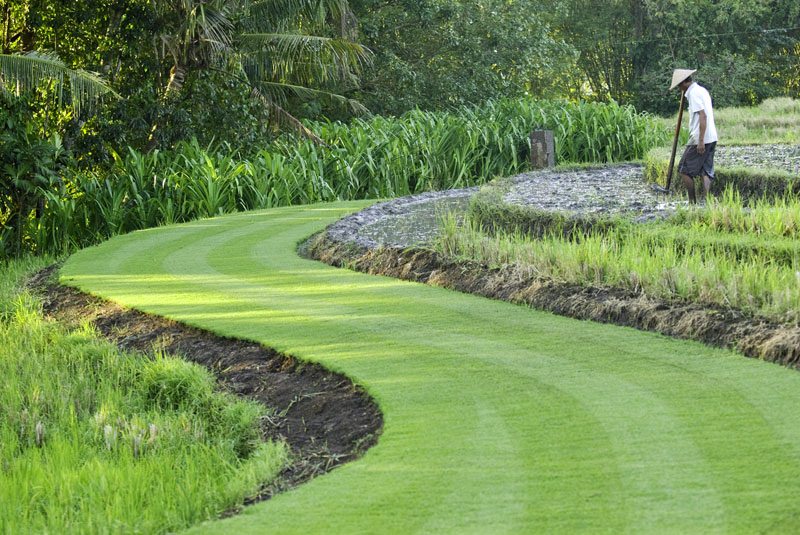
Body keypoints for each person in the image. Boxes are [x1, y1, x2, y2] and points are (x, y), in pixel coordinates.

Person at [670, 69, 718, 204]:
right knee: (705, 171)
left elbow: (703, 116)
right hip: (712, 136)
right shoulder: (701, 90)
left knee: (684, 170)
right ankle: (707, 202)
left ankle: (692, 202)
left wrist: (700, 141)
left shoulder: (693, 93)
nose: (679, 89)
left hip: (700, 138)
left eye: (679, 86)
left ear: (684, 83)